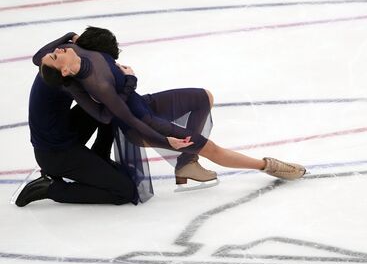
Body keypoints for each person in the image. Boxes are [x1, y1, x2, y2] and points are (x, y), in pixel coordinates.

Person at [38, 27, 306, 189]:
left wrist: (67, 37)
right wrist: (163, 138)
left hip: (144, 103)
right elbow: (127, 117)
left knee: (204, 97)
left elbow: (37, 56)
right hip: (143, 123)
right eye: (56, 54)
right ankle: (267, 165)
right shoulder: (99, 85)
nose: (58, 48)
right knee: (211, 148)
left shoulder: (76, 47)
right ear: (63, 69)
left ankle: (186, 163)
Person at [15, 32, 137, 207]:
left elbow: (38, 57)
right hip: (55, 155)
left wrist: (71, 35)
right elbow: (104, 117)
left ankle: (100, 155)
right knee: (125, 191)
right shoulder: (66, 79)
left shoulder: (59, 60)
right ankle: (50, 188)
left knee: (107, 100)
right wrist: (129, 84)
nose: (60, 49)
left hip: (61, 132)